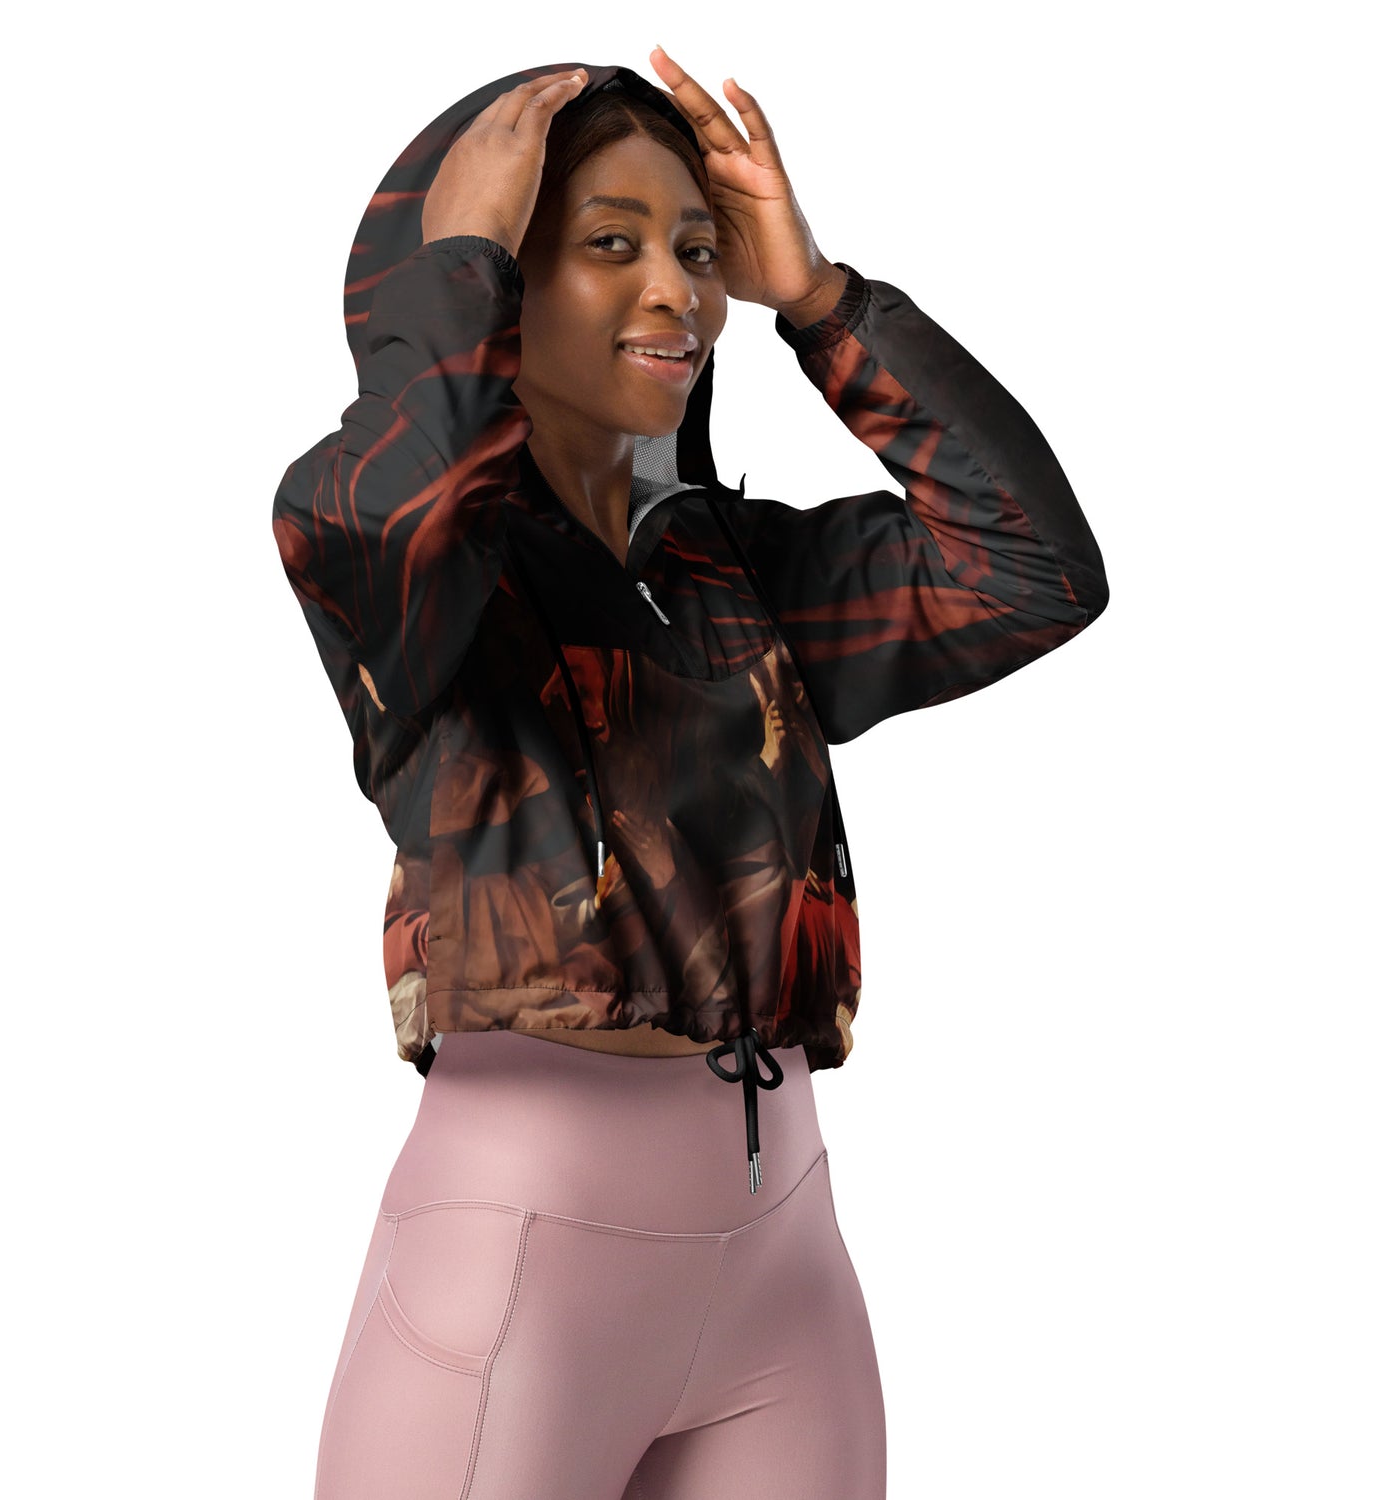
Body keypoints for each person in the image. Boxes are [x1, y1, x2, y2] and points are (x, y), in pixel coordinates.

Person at [271, 52, 1109, 1500]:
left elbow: (1032, 573)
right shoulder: (397, 562)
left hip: (784, 1256)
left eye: (698, 250)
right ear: (495, 276)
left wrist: (822, 301)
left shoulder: (739, 571)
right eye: (610, 244)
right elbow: (400, 502)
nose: (680, 293)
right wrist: (454, 267)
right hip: (520, 1254)